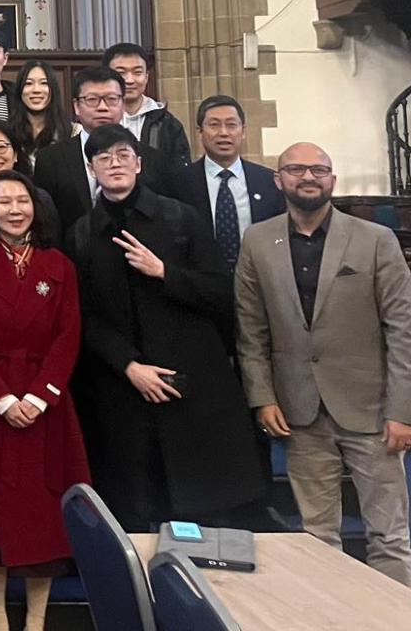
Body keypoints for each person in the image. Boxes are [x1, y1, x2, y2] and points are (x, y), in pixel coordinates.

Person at [235, 142, 411, 586]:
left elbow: (406, 330)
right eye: (296, 169)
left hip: (373, 409)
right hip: (299, 409)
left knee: (389, 534)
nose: (308, 177)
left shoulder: (376, 239)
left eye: (319, 169)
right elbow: (252, 330)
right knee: (318, 535)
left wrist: (403, 411)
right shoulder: (258, 241)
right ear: (278, 179)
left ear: (332, 180)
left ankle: (392, 620)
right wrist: (262, 397)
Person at [65, 125, 265, 530]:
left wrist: (164, 272)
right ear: (92, 169)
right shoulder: (82, 234)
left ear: (138, 163)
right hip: (123, 387)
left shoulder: (180, 218)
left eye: (123, 155)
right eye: (103, 158)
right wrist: (129, 366)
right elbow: (83, 316)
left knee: (201, 508)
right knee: (136, 508)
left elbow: (220, 292)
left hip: (190, 384)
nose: (115, 164)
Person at [0, 172, 89, 631]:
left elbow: (69, 336)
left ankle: (35, 620)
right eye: (3, 201)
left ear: (35, 206)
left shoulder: (59, 265)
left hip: (46, 402)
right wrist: (3, 399)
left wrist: (40, 395)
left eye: (21, 200)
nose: (13, 209)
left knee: (42, 515)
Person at [164, 95, 285, 272]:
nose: (223, 133)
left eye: (231, 125)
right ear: (200, 132)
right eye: (214, 125)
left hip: (258, 280)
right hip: (201, 283)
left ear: (243, 131)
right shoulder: (178, 183)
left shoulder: (268, 181)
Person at [33, 65, 130, 237]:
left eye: (112, 99)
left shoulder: (149, 157)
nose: (102, 107)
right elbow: (45, 222)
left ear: (123, 104)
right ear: (77, 107)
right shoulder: (50, 159)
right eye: (92, 99)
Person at [101, 43, 191, 170]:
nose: (129, 80)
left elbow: (180, 171)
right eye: (121, 73)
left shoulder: (166, 123)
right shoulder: (98, 119)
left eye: (137, 72)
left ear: (147, 77)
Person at [7, 61, 68, 168]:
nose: (36, 90)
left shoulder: (73, 132)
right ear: (20, 90)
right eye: (29, 83)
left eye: (44, 83)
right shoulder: (7, 133)